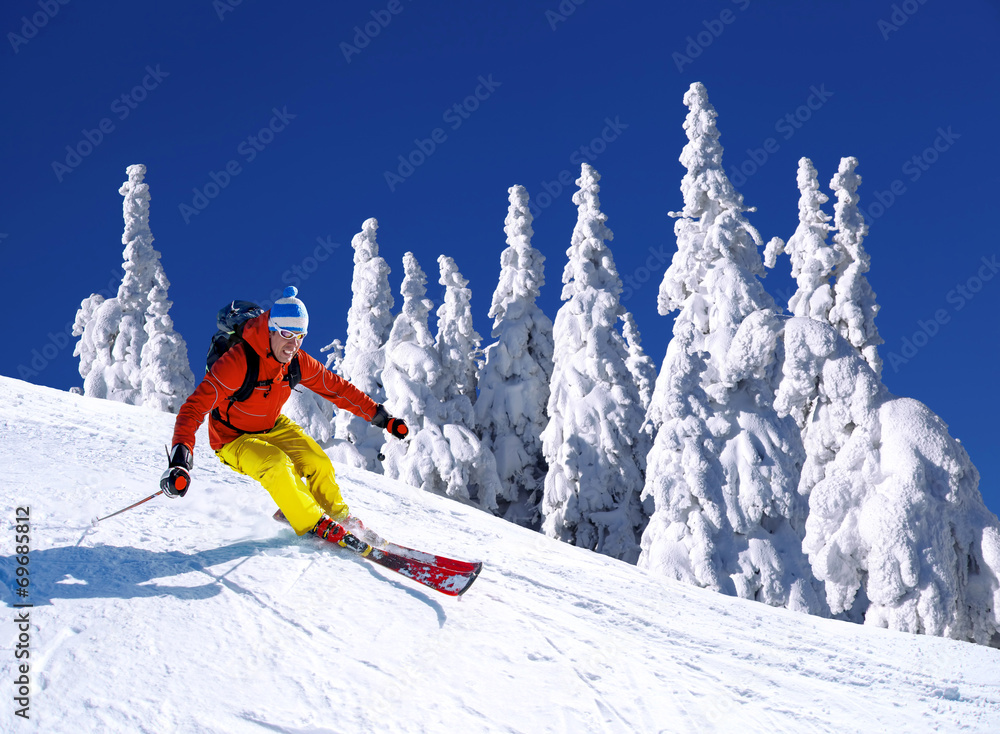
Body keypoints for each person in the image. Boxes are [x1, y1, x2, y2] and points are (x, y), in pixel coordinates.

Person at [159, 286, 408, 546]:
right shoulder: (237, 362)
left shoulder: (297, 361)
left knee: (318, 461)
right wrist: (180, 460)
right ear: (270, 329)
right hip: (232, 438)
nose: (293, 345)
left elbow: (338, 389)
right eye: (287, 334)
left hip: (272, 426)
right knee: (276, 463)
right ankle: (313, 523)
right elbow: (194, 408)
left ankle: (339, 518)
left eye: (300, 336)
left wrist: (383, 417)